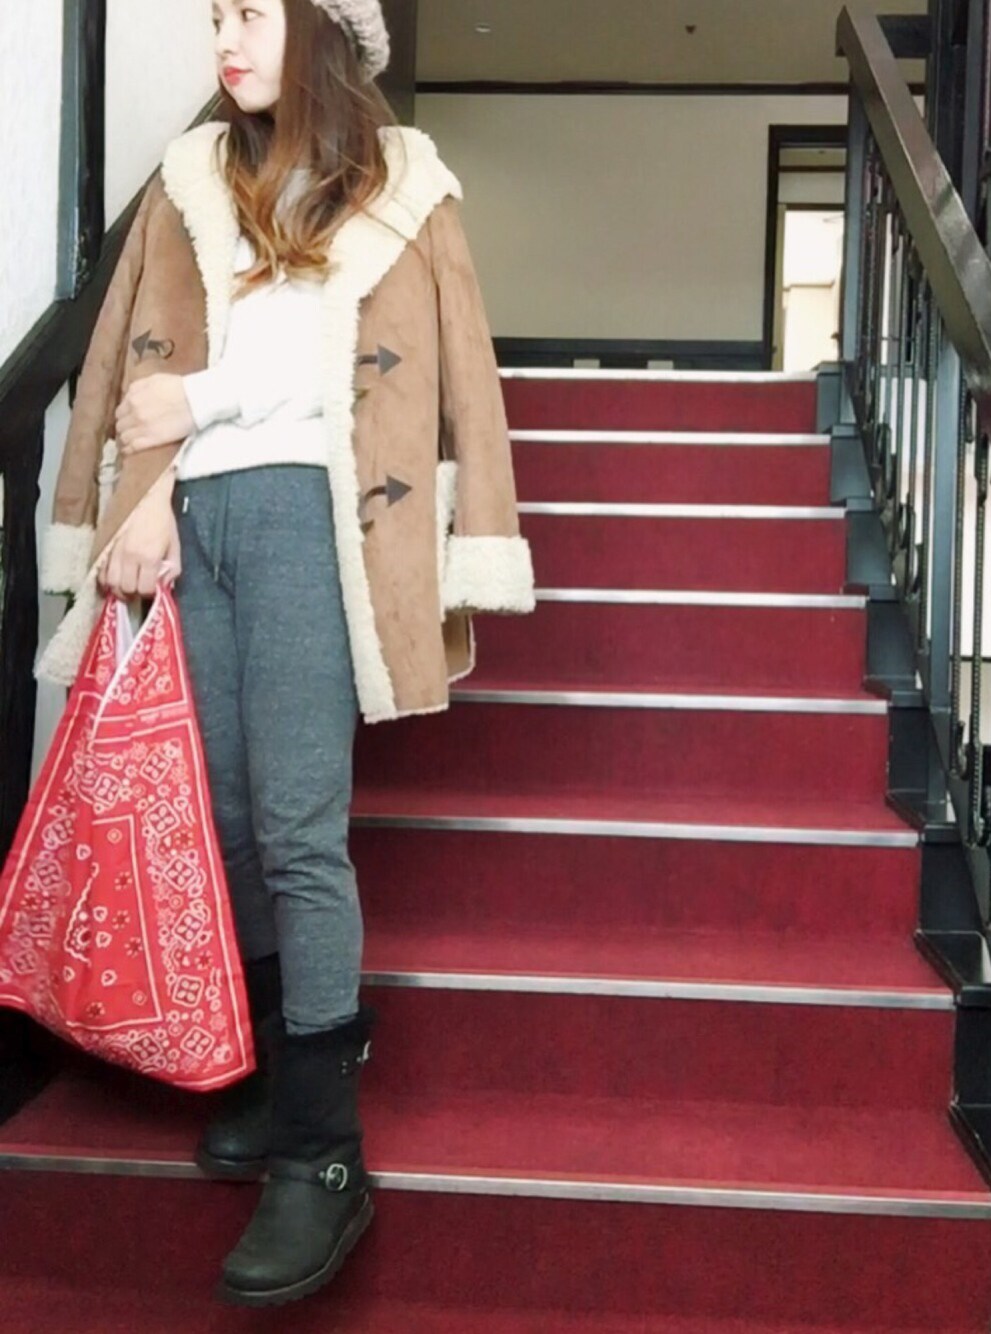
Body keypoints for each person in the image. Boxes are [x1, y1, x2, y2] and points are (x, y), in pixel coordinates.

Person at [37, 0, 535, 1308]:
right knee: (226, 818)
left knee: (300, 827)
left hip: (316, 522)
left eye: (250, 11)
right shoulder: (195, 180)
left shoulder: (400, 187)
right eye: (215, 15)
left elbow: (377, 378)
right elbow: (134, 359)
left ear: (320, 27)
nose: (226, 37)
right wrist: (144, 498)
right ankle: (267, 1072)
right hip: (200, 520)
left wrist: (201, 403)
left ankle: (324, 1148)